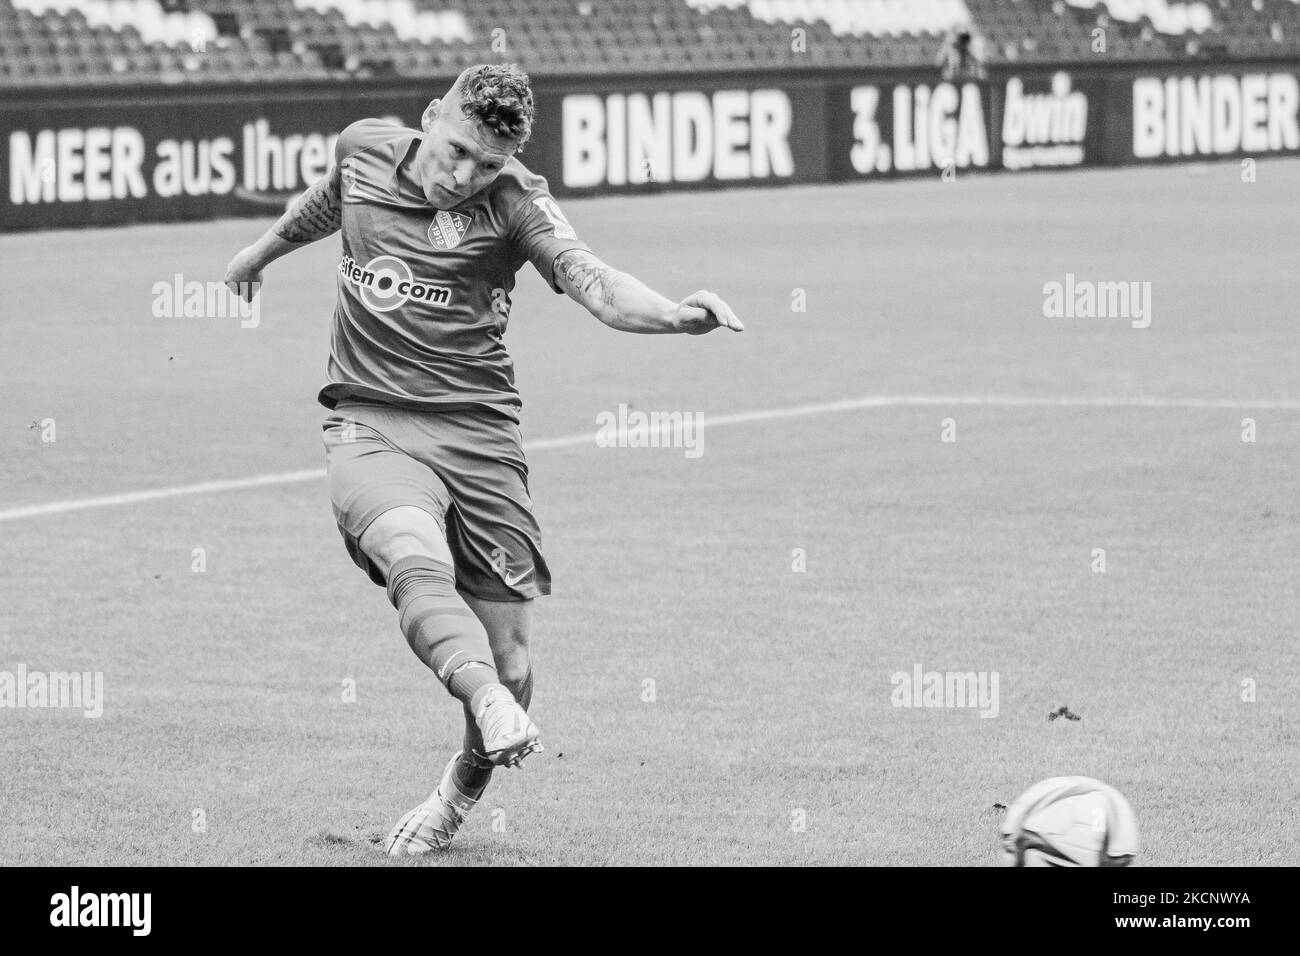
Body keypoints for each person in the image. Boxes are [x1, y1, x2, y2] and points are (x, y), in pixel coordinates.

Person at [223, 63, 743, 855]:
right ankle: (486, 703)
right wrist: (255, 255)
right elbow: (329, 204)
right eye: (457, 150)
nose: (464, 177)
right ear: (432, 116)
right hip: (371, 419)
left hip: (479, 437)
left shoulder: (514, 202)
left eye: (485, 165)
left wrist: (673, 315)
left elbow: (591, 280)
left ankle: (456, 792)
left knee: (513, 658)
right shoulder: (364, 148)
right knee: (411, 552)